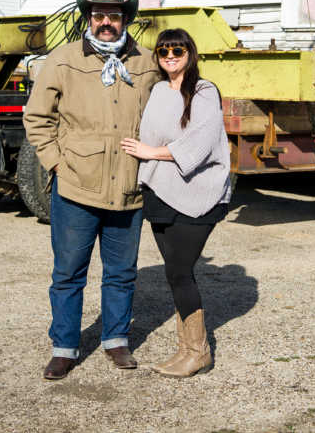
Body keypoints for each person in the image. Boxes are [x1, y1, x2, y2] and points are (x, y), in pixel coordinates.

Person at [24, 0, 159, 380]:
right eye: (98, 16)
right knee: (68, 273)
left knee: (121, 272)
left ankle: (116, 340)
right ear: (88, 18)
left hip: (127, 187)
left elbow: (164, 115)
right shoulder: (63, 59)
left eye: (114, 16)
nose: (105, 23)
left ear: (125, 20)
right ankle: (65, 346)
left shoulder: (147, 63)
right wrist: (55, 164)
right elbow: (37, 118)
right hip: (76, 186)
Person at [120, 28, 232, 378]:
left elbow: (200, 143)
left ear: (190, 54)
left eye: (177, 51)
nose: (170, 56)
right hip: (160, 188)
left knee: (179, 271)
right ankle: (186, 349)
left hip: (198, 192)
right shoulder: (156, 90)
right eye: (164, 51)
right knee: (175, 273)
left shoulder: (203, 90)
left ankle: (199, 352)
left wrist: (150, 152)